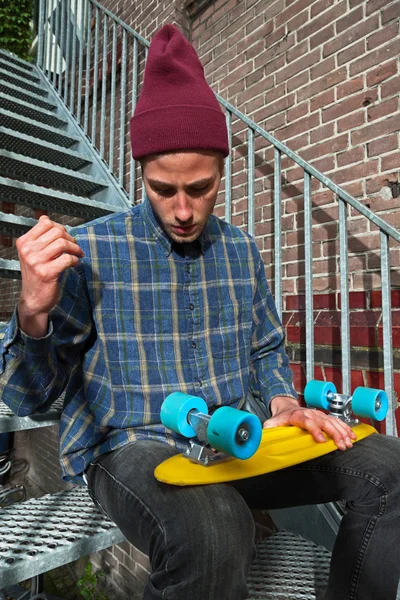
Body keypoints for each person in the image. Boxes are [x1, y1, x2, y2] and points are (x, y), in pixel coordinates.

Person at [1, 23, 399, 600]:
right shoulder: (90, 252)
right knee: (216, 529)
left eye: (201, 187)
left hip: (241, 437)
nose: (184, 210)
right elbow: (25, 401)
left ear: (221, 168)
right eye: (164, 190)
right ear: (141, 171)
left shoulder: (239, 250)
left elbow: (265, 348)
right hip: (131, 447)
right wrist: (33, 313)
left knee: (388, 470)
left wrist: (284, 401)